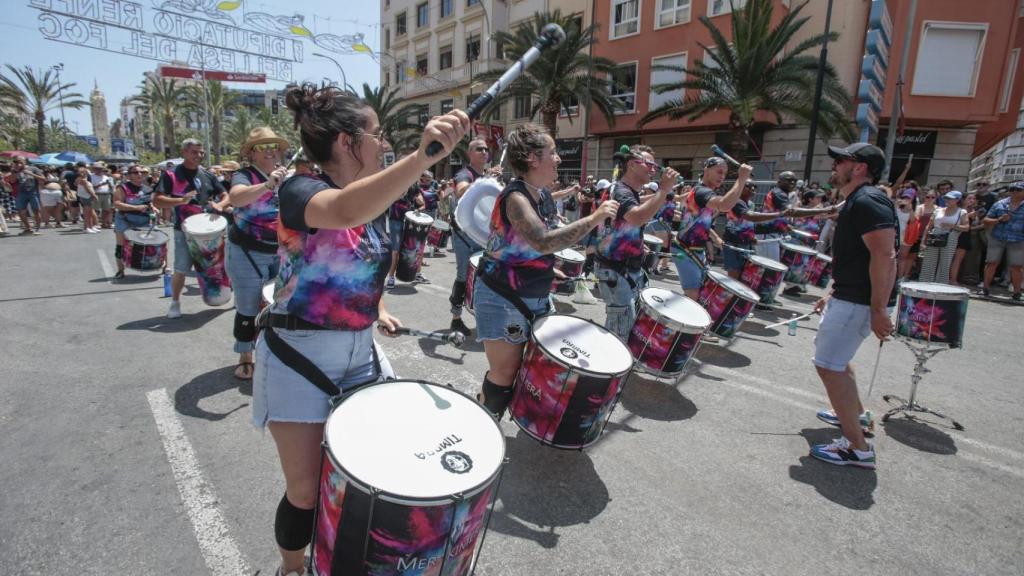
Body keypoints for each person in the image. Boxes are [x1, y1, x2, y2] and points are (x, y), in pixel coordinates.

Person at [252, 82, 468, 576]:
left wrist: (381, 307)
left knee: (375, 469)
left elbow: (358, 263)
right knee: (305, 489)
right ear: (348, 142)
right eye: (376, 133)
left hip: (360, 352)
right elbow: (344, 212)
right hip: (298, 355)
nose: (384, 141)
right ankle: (290, 567)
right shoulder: (300, 190)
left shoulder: (372, 204)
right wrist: (421, 157)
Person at [473, 123, 617, 417]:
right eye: (552, 152)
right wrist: (593, 219)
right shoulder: (516, 198)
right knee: (505, 371)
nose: (558, 158)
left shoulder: (543, 196)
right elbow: (542, 241)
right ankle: (484, 425)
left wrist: (551, 270)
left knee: (529, 364)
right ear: (532, 158)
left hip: (533, 292)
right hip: (502, 295)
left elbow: (537, 245)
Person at [810, 142, 896, 469]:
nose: (834, 166)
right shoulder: (858, 201)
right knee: (838, 362)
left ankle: (856, 448)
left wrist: (878, 309)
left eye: (840, 161)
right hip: (849, 296)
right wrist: (831, 292)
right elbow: (857, 258)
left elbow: (884, 255)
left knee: (829, 366)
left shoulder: (868, 200)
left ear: (859, 167)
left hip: (858, 302)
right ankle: (857, 418)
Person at [593, 145, 679, 339]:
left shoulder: (629, 192)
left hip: (626, 268)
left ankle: (614, 363)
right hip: (615, 268)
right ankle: (611, 366)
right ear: (631, 164)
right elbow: (637, 217)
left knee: (626, 324)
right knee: (621, 326)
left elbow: (624, 225)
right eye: (649, 164)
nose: (654, 169)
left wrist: (637, 243)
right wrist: (664, 189)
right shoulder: (621, 191)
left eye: (655, 165)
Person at [225, 127, 289, 380]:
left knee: (280, 304)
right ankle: (245, 355)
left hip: (280, 251)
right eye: (264, 147)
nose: (272, 151)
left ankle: (275, 351)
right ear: (251, 154)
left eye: (275, 146)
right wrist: (266, 184)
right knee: (248, 306)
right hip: (246, 251)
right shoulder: (244, 175)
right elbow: (236, 198)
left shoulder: (287, 176)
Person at [152, 139, 228, 319]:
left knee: (218, 264)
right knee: (181, 268)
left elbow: (225, 194)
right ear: (184, 153)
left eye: (201, 152)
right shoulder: (171, 175)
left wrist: (221, 205)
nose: (199, 156)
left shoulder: (207, 175)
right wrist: (180, 201)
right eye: (194, 152)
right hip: (184, 230)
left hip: (210, 228)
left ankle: (222, 297)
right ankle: (175, 303)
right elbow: (157, 199)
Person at [672, 156, 751, 301]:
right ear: (706, 171)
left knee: (702, 292)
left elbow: (699, 223)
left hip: (695, 249)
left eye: (725, 174)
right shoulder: (702, 192)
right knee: (694, 294)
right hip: (685, 249)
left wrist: (715, 237)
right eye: (719, 172)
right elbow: (725, 205)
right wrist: (742, 178)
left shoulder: (704, 192)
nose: (722, 177)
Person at [447, 137, 494, 337]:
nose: (484, 152)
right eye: (479, 149)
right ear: (470, 153)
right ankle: (456, 318)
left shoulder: (485, 176)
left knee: (482, 277)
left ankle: (481, 316)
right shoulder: (464, 173)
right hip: (464, 236)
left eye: (486, 149)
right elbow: (460, 191)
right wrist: (485, 180)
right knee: (462, 275)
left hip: (482, 234)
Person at [722, 182, 784, 284]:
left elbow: (748, 223)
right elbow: (751, 217)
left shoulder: (750, 204)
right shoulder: (736, 201)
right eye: (748, 186)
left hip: (745, 243)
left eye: (754, 186)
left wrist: (751, 236)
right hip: (734, 243)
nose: (752, 188)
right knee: (734, 275)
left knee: (743, 275)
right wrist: (777, 215)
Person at [980, 181, 1024, 300]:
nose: (1014, 191)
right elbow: (986, 220)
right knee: (991, 263)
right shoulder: (1000, 204)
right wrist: (999, 220)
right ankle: (985, 288)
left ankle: (1016, 293)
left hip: (1018, 239)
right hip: (998, 237)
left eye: (1018, 190)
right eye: (1012, 189)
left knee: (1016, 266)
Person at [112, 165, 156, 278]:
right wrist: (135, 208)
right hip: (124, 219)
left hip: (143, 219)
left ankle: (164, 266)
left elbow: (148, 203)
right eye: (135, 172)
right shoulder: (122, 188)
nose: (139, 174)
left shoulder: (147, 188)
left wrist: (153, 208)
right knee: (120, 245)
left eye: (141, 172)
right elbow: (117, 203)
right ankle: (120, 270)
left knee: (159, 238)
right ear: (129, 175)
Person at [383, 178, 426, 288]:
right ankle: (391, 277)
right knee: (396, 251)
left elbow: (422, 204)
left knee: (415, 249)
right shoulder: (396, 183)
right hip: (395, 221)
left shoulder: (415, 187)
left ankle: (417, 274)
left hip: (409, 222)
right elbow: (390, 198)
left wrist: (419, 208)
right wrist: (402, 192)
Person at [918, 190, 968, 284]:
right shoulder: (938, 210)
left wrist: (952, 226)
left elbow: (966, 227)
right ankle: (924, 284)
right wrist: (923, 241)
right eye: (946, 198)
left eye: (950, 198)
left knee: (945, 263)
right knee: (928, 262)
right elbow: (929, 226)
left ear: (957, 200)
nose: (947, 200)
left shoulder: (961, 212)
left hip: (951, 236)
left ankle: (941, 285)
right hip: (935, 235)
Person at [10, 158, 45, 235]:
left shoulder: (33, 168)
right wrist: (15, 173)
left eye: (19, 162)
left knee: (36, 210)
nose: (17, 164)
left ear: (24, 162)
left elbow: (43, 178)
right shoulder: (15, 170)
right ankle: (28, 228)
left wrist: (30, 173)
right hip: (21, 193)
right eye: (16, 163)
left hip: (33, 192)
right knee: (21, 211)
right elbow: (12, 181)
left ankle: (38, 228)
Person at [90, 162, 115, 229]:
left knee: (106, 210)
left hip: (106, 194)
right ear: (94, 169)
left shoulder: (106, 177)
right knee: (96, 210)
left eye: (101, 169)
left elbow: (111, 187)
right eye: (97, 169)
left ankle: (104, 223)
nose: (99, 170)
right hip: (97, 194)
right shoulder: (91, 177)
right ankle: (94, 224)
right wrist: (101, 184)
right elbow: (91, 187)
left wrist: (110, 185)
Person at [75, 167, 100, 233]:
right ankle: (86, 228)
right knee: (87, 214)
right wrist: (94, 196)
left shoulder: (81, 179)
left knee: (90, 213)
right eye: (81, 172)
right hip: (86, 197)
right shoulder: (83, 180)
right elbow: (88, 189)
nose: (82, 173)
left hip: (86, 197)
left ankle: (91, 226)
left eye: (83, 172)